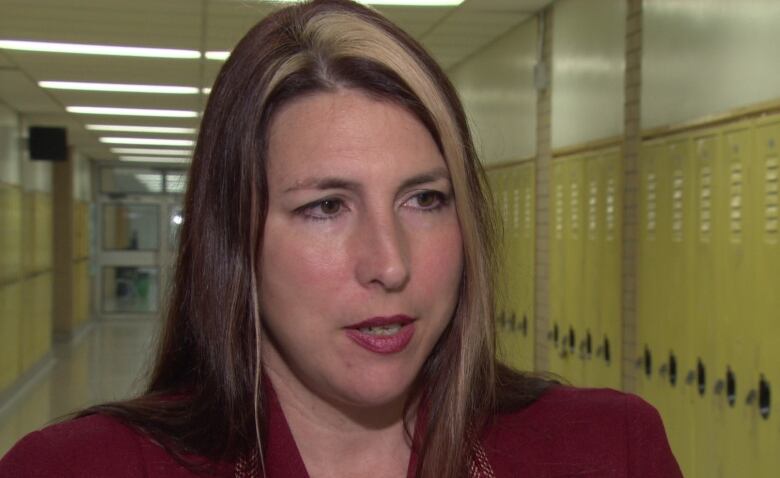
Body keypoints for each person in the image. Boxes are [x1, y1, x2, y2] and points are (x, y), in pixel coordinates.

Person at [0, 0, 683, 477]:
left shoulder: (606, 451)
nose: (390, 264)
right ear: (235, 241)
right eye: (327, 206)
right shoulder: (79, 468)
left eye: (425, 199)